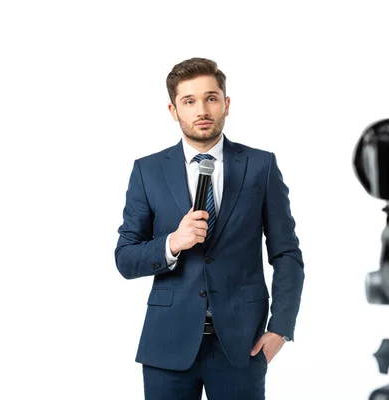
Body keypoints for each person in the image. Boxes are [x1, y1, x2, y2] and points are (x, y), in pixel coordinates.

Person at [114, 57, 305, 400]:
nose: (201, 109)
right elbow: (126, 258)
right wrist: (172, 243)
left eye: (211, 98)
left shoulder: (261, 165)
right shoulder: (148, 171)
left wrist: (280, 329)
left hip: (242, 344)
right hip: (166, 345)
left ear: (226, 104)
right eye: (189, 101)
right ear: (173, 110)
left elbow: (286, 253)